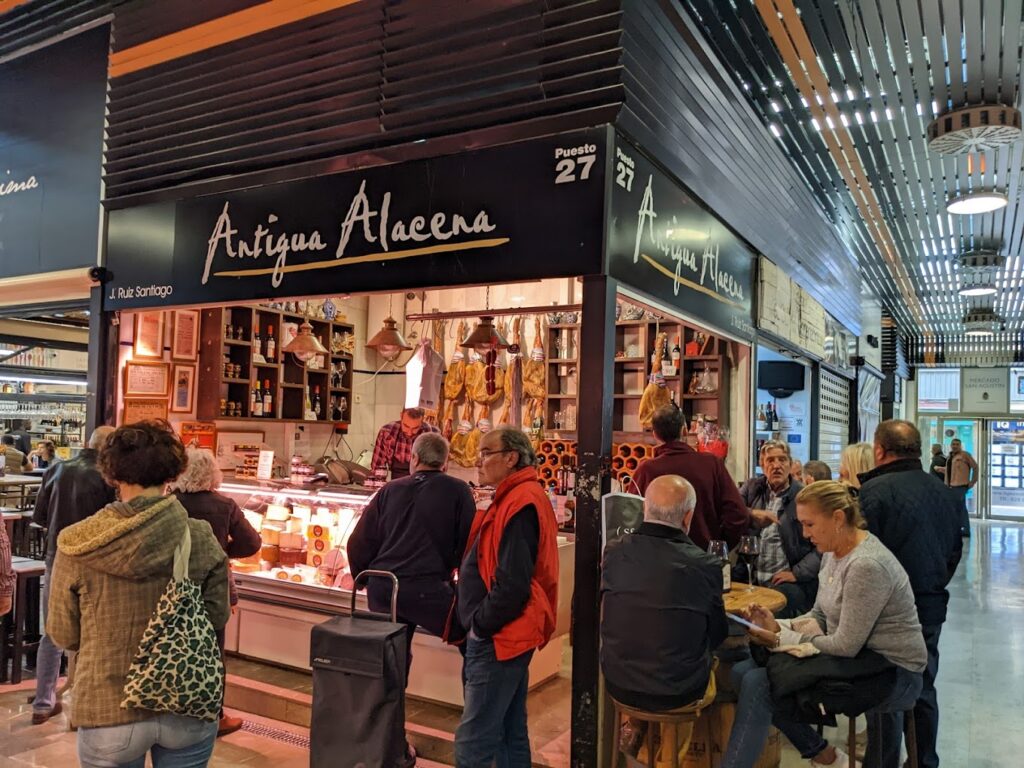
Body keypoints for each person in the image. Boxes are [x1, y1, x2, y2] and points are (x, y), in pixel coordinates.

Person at [47, 421, 230, 768]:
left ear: (111, 474)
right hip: (187, 700)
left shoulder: (78, 544)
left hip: (107, 705)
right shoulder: (199, 537)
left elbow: (62, 633)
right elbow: (217, 615)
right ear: (174, 472)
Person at [722, 481, 927, 768]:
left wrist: (781, 639)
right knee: (742, 670)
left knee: (759, 682)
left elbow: (845, 644)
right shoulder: (833, 551)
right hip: (862, 660)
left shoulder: (865, 565)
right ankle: (821, 753)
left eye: (809, 525)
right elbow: (819, 616)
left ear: (838, 518)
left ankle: (818, 755)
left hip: (892, 671)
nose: (805, 535)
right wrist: (778, 625)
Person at [857, 421, 963, 768]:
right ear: (918, 450)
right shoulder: (945, 492)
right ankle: (924, 761)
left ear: (879, 450)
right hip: (931, 604)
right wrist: (933, 583)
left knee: (886, 688)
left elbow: (865, 558)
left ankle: (883, 762)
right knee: (923, 684)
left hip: (886, 612)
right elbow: (953, 551)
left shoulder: (873, 493)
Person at [602, 475, 728, 763]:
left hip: (619, 681)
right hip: (677, 691)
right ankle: (665, 759)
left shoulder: (614, 551)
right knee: (706, 666)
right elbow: (717, 634)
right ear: (688, 517)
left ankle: (636, 739)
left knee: (655, 651)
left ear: (645, 509)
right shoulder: (704, 564)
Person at [455, 426, 559, 766]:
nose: (479, 460)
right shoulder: (515, 495)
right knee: (509, 731)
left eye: (487, 453)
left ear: (511, 457)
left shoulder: (521, 500)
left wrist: (481, 625)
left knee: (475, 741)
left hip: (501, 637)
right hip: (505, 635)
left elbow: (512, 585)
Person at [167, 445, 262, 738]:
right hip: (214, 585)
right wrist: (223, 553)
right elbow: (252, 543)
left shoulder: (170, 503)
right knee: (213, 651)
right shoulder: (225, 505)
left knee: (175, 645)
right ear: (213, 474)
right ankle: (214, 715)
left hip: (175, 582)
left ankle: (173, 707)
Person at [30, 425, 116, 725]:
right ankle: (82, 706)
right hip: (94, 560)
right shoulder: (110, 478)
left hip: (57, 555)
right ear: (108, 449)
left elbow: (39, 517)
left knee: (52, 631)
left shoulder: (56, 469)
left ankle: (43, 702)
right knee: (92, 633)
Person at [628, 405, 769, 549]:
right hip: (703, 558)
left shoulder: (646, 470)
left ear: (655, 434)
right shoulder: (711, 464)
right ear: (685, 430)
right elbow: (738, 515)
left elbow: (629, 518)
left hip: (656, 560)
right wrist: (718, 547)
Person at [740, 440, 819, 617]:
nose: (776, 466)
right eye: (770, 460)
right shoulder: (752, 488)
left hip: (788, 583)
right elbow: (731, 510)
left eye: (782, 460)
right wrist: (752, 513)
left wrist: (797, 573)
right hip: (752, 576)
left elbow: (823, 547)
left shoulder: (804, 495)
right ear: (762, 465)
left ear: (790, 464)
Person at [370, 407, 441, 482]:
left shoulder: (433, 435)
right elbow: (377, 468)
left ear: (422, 420)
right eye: (406, 426)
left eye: (415, 428)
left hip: (423, 486)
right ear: (401, 416)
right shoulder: (387, 432)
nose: (410, 433)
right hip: (397, 485)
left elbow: (439, 470)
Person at [945, 438, 977, 537]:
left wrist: (972, 481)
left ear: (960, 446)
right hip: (950, 486)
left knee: (960, 508)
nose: (955, 446)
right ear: (951, 445)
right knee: (956, 508)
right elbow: (952, 470)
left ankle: (965, 530)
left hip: (960, 486)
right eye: (953, 444)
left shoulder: (965, 455)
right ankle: (958, 529)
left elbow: (975, 467)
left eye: (957, 444)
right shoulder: (950, 456)